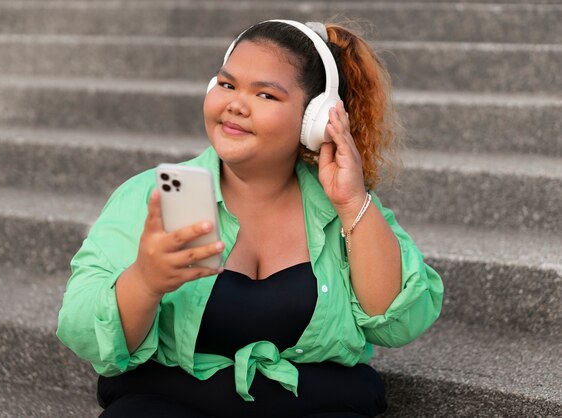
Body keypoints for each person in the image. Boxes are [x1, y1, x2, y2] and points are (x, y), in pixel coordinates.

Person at [57, 19, 443, 418]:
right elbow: (82, 330)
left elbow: (399, 322)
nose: (235, 105)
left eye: (265, 95)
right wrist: (145, 280)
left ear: (315, 119)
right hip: (169, 402)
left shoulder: (344, 206)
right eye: (227, 85)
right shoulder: (152, 195)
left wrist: (352, 203)